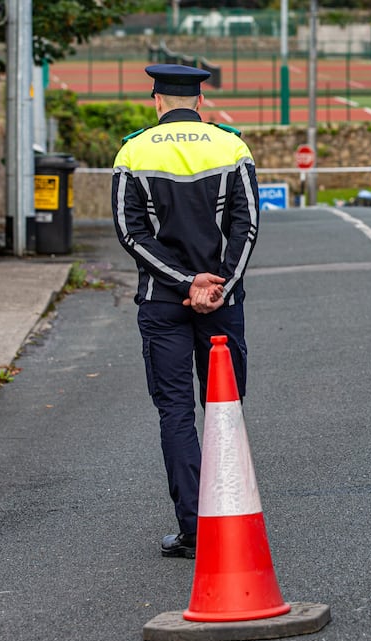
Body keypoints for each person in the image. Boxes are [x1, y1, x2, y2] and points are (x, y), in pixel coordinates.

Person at [111, 64, 260, 558]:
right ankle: (234, 519)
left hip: (161, 304)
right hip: (223, 304)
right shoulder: (231, 147)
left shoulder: (132, 152)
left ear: (156, 101)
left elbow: (131, 235)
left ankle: (195, 532)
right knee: (224, 410)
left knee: (175, 414)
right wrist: (217, 287)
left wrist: (181, 282)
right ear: (200, 102)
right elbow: (247, 227)